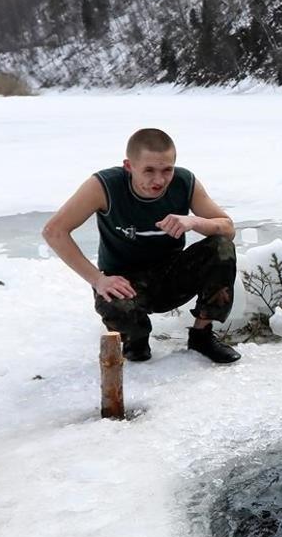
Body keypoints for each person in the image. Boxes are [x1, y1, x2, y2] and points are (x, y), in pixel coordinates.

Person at [42, 128, 241, 364]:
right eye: (149, 170)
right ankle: (135, 341)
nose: (159, 180)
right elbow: (54, 232)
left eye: (167, 170)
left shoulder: (185, 182)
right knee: (122, 321)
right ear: (129, 166)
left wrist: (195, 221)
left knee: (221, 247)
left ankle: (202, 336)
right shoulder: (104, 186)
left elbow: (227, 227)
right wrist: (97, 279)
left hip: (171, 274)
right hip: (125, 282)